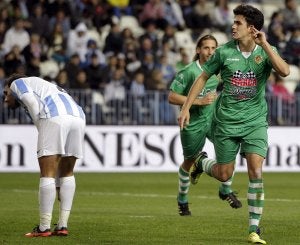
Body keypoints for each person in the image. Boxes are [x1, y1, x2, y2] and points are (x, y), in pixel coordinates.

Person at [177, 4, 290, 244]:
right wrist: (186, 107)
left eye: (238, 22)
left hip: (255, 122)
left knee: (255, 171)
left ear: (252, 28)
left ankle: (254, 230)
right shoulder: (224, 52)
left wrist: (266, 44)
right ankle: (201, 162)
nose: (233, 26)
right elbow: (202, 77)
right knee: (224, 173)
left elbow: (284, 71)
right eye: (234, 21)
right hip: (226, 122)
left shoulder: (265, 52)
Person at [3, 74, 86, 237]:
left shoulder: (17, 82)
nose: (6, 99)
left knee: (46, 172)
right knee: (67, 172)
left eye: (6, 93)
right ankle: (62, 225)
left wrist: (44, 130)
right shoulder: (45, 86)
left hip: (54, 116)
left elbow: (31, 102)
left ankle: (43, 228)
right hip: (78, 116)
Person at [168, 34, 242, 216]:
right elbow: (172, 97)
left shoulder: (216, 70)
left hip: (214, 120)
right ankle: (182, 200)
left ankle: (225, 190)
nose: (210, 52)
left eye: (213, 48)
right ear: (198, 50)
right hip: (192, 122)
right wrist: (199, 101)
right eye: (206, 48)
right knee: (189, 161)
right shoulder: (189, 71)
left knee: (229, 149)